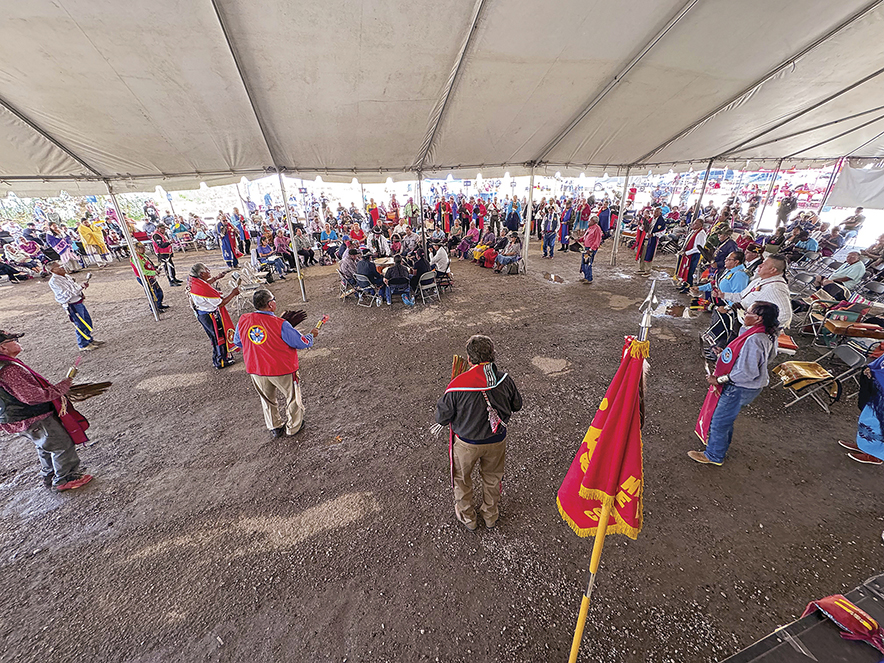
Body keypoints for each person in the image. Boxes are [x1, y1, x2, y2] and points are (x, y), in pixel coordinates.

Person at [435, 335, 522, 531]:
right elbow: (517, 405)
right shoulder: (505, 381)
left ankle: (468, 518)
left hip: (467, 444)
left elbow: (441, 418)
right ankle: (490, 516)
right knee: (492, 477)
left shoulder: (457, 386)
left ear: (469, 359)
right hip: (497, 440)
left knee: (462, 479)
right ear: (493, 355)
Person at [0, 331, 93, 492]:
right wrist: (61, 388)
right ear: (3, 347)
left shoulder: (7, 364)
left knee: (45, 444)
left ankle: (50, 474)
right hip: (31, 415)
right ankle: (64, 478)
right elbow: (32, 396)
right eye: (13, 340)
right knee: (61, 444)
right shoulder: (9, 370)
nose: (17, 341)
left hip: (17, 416)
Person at [688, 302, 780, 465]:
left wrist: (719, 380)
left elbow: (747, 372)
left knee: (720, 420)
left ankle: (714, 455)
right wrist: (726, 354)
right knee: (725, 417)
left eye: (748, 312)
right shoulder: (764, 333)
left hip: (740, 387)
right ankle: (719, 444)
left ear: (758, 318)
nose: (744, 314)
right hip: (745, 386)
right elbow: (761, 359)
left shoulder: (755, 339)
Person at [234, 289, 318, 438]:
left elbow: (238, 341)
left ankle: (275, 426)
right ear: (270, 304)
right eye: (274, 299)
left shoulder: (243, 319)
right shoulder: (280, 323)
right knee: (292, 398)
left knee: (267, 399)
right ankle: (293, 427)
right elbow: (301, 343)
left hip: (256, 368)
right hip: (281, 368)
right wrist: (311, 335)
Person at [188, 263, 240, 369]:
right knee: (218, 337)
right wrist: (233, 293)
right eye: (207, 270)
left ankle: (221, 356)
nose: (209, 271)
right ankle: (221, 361)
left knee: (215, 336)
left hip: (203, 313)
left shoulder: (196, 282)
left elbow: (205, 283)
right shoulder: (203, 290)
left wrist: (216, 278)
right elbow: (220, 303)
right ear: (201, 274)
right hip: (209, 315)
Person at [838, 354, 884, 465]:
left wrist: (877, 375)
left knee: (879, 423)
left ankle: (876, 455)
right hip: (879, 393)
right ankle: (864, 445)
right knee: (868, 417)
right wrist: (871, 368)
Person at [47, 261, 104, 351]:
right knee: (80, 324)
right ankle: (83, 344)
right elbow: (66, 293)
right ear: (53, 270)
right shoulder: (54, 282)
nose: (62, 267)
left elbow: (73, 286)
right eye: (59, 266)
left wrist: (80, 292)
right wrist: (79, 288)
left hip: (78, 301)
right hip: (71, 305)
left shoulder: (66, 276)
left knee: (87, 321)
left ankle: (88, 339)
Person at [130, 243, 169, 312]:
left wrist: (156, 267)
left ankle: (159, 305)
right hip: (145, 278)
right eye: (141, 248)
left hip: (150, 277)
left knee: (159, 292)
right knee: (153, 294)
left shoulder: (142, 255)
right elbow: (142, 271)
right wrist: (154, 272)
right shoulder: (136, 258)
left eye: (143, 247)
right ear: (137, 249)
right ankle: (154, 308)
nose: (144, 249)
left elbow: (148, 265)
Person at [675, 219, 707, 293]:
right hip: (688, 254)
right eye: (693, 223)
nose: (693, 224)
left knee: (690, 271)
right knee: (685, 269)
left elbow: (698, 248)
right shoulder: (693, 231)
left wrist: (687, 253)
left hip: (693, 255)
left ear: (700, 225)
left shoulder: (701, 234)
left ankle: (688, 287)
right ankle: (684, 284)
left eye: (695, 224)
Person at [580, 215, 603, 283]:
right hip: (586, 247)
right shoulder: (590, 228)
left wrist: (591, 249)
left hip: (590, 249)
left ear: (593, 221)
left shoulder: (597, 229)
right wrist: (579, 239)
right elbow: (585, 236)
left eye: (590, 220)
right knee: (584, 263)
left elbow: (597, 241)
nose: (588, 221)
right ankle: (586, 276)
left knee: (588, 263)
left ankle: (589, 278)